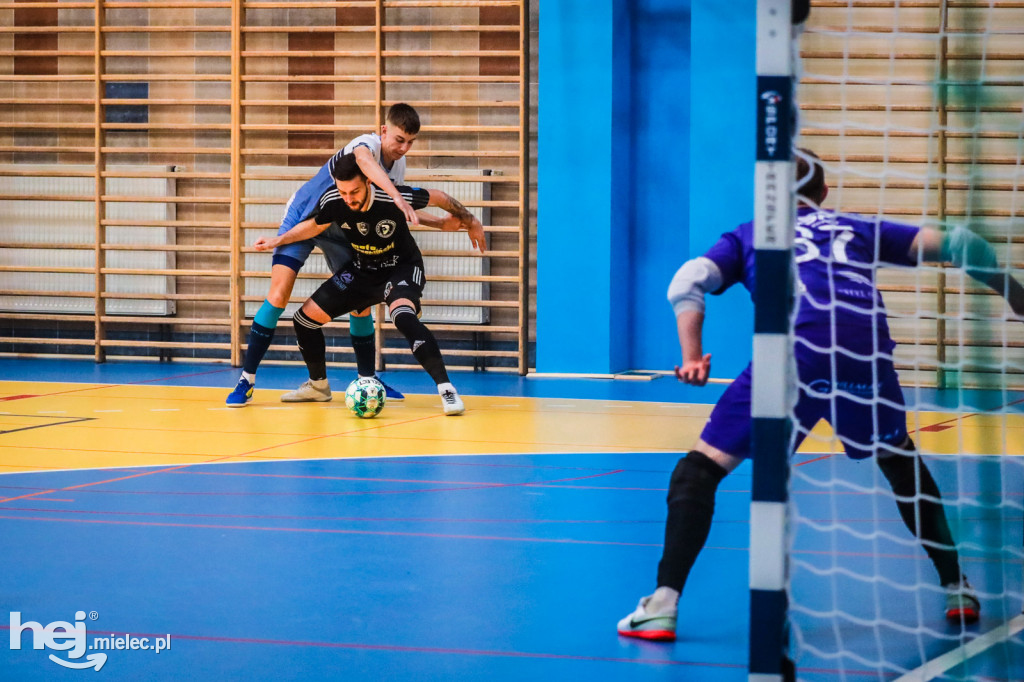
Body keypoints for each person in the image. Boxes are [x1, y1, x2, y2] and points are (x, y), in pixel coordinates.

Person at [617, 149, 1024, 641]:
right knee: (902, 467)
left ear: (769, 196)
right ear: (824, 194)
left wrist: (693, 354)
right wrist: (1011, 289)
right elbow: (962, 244)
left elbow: (688, 280)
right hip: (863, 352)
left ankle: (661, 605)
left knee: (697, 472)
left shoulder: (750, 233)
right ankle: (956, 586)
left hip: (794, 353)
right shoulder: (856, 228)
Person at [227, 103, 440, 407]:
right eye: (398, 139)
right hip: (305, 219)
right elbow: (365, 162)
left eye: (410, 142)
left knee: (360, 301)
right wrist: (277, 239)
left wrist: (448, 221)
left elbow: (398, 206)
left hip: (341, 229)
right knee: (278, 295)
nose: (403, 148)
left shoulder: (398, 167)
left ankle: (368, 379)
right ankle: (246, 380)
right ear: (383, 132)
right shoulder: (365, 144)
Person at [252, 152, 485, 414]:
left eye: (354, 191)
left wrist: (471, 220)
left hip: (401, 267)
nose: (349, 199)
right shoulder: (334, 199)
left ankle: (447, 391)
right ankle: (318, 387)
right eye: (343, 192)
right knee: (303, 320)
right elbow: (314, 226)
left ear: (368, 182)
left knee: (403, 316)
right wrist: (277, 240)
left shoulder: (392, 197)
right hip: (362, 271)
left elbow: (439, 197)